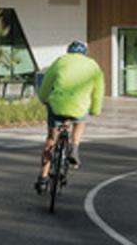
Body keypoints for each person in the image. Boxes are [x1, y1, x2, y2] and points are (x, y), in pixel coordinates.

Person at [35, 40, 104, 194]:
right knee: (81, 120)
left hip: (57, 106)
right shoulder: (93, 66)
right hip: (79, 107)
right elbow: (98, 91)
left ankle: (43, 178)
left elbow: (46, 83)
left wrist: (43, 98)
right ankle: (75, 147)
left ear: (69, 51)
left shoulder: (60, 61)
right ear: (84, 52)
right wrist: (95, 110)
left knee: (51, 139)